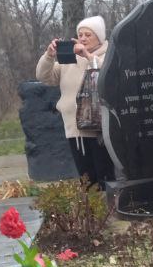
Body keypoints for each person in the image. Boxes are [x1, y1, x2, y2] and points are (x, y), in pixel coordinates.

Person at [35, 16, 113, 186]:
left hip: (102, 129)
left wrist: (86, 55)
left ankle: (110, 210)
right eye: (80, 34)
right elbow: (44, 76)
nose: (83, 38)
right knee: (87, 180)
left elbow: (109, 74)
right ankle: (92, 211)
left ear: (99, 37)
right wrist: (49, 56)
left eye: (88, 35)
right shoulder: (68, 58)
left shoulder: (108, 54)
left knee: (106, 177)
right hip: (75, 129)